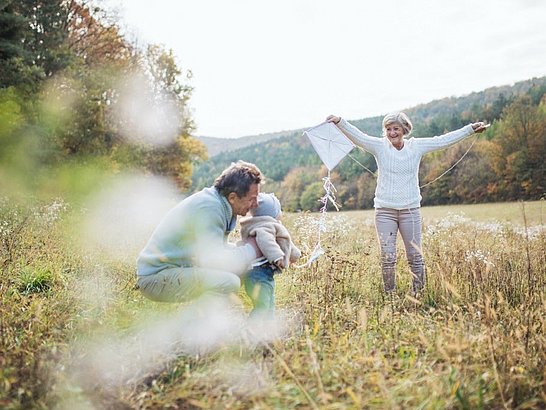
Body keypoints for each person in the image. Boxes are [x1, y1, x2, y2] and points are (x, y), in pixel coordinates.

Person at [326, 112, 488, 294]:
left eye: (396, 128)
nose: (392, 132)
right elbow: (358, 136)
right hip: (384, 211)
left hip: (410, 211)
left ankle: (418, 293)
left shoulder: (416, 146)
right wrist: (340, 122)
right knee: (388, 256)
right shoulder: (380, 146)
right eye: (388, 129)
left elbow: (443, 140)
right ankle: (390, 294)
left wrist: (470, 129)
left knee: (415, 256)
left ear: (404, 129)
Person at [136, 160, 263, 303]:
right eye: (252, 199)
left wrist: (246, 248)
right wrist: (253, 250)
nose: (256, 204)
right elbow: (214, 260)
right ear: (233, 197)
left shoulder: (220, 203)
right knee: (229, 282)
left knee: (242, 268)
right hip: (157, 277)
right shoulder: (210, 208)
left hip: (175, 270)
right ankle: (198, 323)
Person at [240, 192, 301, 319]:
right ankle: (253, 332)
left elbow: (286, 243)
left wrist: (295, 256)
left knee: (268, 304)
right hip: (258, 274)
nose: (281, 212)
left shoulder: (271, 225)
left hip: (262, 275)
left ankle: (268, 330)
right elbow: (266, 241)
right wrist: (277, 257)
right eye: (279, 210)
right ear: (272, 213)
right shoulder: (265, 227)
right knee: (262, 306)